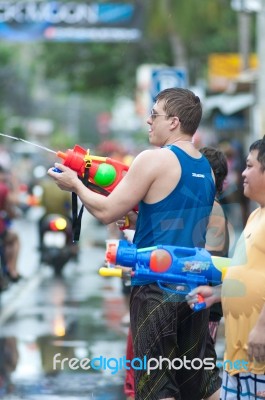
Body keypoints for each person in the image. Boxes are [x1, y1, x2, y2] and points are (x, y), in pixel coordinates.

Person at [48, 88, 221, 400]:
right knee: (201, 384)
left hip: (157, 285)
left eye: (154, 115)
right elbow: (180, 225)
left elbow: (105, 211)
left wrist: (74, 184)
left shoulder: (152, 160)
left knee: (157, 386)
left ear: (174, 122)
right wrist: (139, 222)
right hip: (196, 285)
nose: (148, 121)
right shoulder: (205, 168)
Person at [187, 137, 265, 399]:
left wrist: (262, 327)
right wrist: (219, 293)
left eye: (249, 166)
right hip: (239, 357)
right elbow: (249, 271)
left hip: (259, 354)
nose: (242, 173)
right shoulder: (255, 215)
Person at [200, 146, 229, 344]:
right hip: (202, 301)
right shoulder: (203, 204)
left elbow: (209, 259)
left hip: (206, 305)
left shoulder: (213, 207)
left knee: (199, 366)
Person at [0, 166, 21, 284]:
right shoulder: (3, 188)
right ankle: (12, 270)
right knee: (15, 238)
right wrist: (15, 183)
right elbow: (14, 201)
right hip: (1, 228)